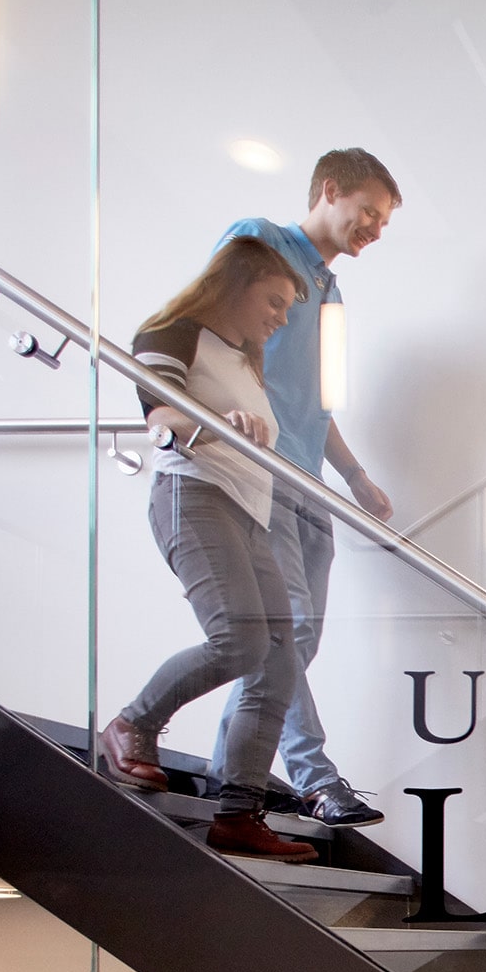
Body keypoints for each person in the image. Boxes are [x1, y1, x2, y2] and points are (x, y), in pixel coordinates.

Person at [97, 237, 316, 863]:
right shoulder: (174, 330)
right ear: (236, 284)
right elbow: (158, 410)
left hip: (249, 513)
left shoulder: (247, 361)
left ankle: (239, 815)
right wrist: (204, 423)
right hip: (191, 496)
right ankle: (133, 723)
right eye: (273, 301)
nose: (279, 317)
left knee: (278, 660)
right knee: (238, 640)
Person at [215, 149, 400, 827]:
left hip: (309, 479)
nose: (375, 229)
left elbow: (320, 403)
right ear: (330, 189)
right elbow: (210, 337)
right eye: (369, 212)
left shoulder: (333, 293)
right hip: (258, 471)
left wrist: (354, 475)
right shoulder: (259, 240)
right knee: (285, 628)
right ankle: (314, 776)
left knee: (300, 638)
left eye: (384, 221)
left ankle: (231, 770)